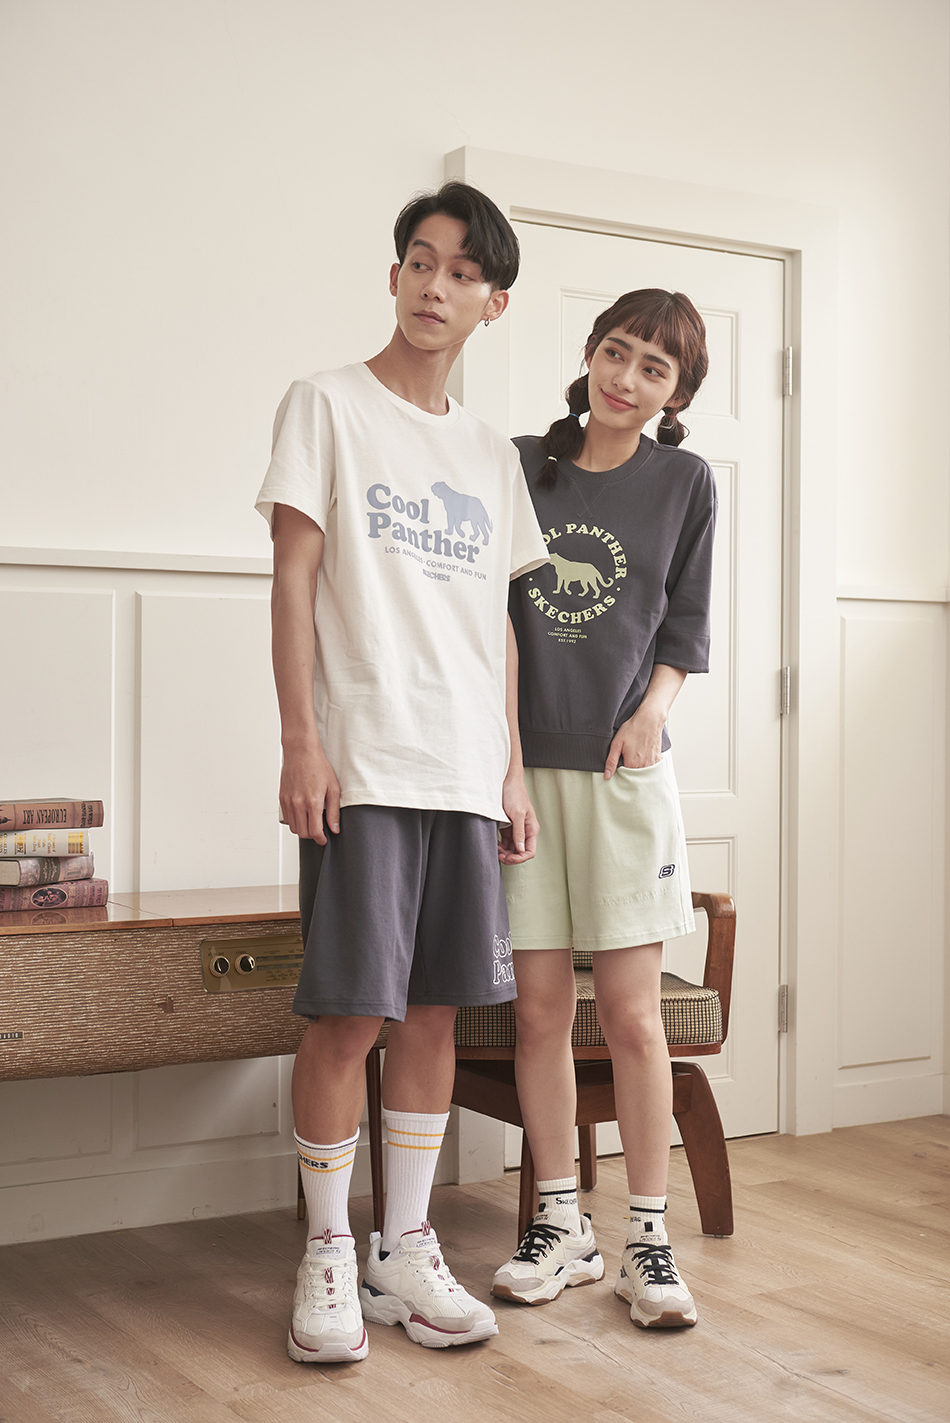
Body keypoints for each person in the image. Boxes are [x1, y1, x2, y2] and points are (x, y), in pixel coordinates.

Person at [255, 181, 549, 1363]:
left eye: (462, 273)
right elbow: (291, 580)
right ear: (393, 276)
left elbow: (498, 631)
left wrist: (512, 771)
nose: (436, 286)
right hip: (364, 760)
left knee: (432, 1014)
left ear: (492, 302)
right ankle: (328, 1249)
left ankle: (403, 1248)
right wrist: (301, 740)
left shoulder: (489, 454)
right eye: (420, 262)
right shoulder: (324, 404)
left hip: (463, 769)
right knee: (349, 1012)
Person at [492, 290, 715, 1329]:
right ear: (588, 353)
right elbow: (489, 621)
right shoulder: (517, 465)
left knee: (630, 1016)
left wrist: (651, 713)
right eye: (615, 353)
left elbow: (685, 624)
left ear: (676, 394)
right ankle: (557, 1221)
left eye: (652, 369)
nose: (625, 379)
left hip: (626, 773)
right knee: (538, 1011)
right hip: (523, 775)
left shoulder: (683, 482)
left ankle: (646, 1239)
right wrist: (503, 766)